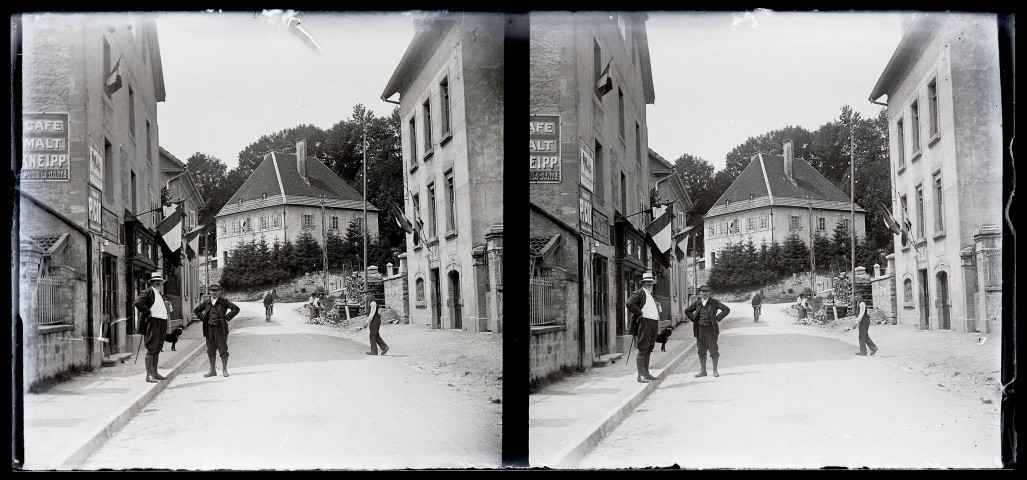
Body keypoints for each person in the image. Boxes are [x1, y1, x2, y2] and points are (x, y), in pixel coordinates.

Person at [193, 284, 240, 377]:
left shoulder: (223, 302)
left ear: (219, 291)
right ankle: (212, 370)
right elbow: (196, 310)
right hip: (209, 329)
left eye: (216, 290)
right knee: (210, 349)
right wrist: (204, 318)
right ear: (209, 291)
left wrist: (226, 317)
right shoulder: (206, 302)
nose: (214, 292)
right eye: (212, 290)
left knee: (223, 349)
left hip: (220, 329)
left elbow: (236, 309)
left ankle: (224, 370)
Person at [684, 284, 731, 378]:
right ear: (700, 293)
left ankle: (715, 370)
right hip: (700, 330)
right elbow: (687, 311)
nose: (704, 293)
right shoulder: (697, 303)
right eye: (702, 292)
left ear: (709, 293)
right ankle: (703, 371)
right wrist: (694, 319)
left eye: (706, 292)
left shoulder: (714, 302)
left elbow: (726, 309)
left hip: (711, 330)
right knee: (701, 350)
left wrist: (717, 318)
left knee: (713, 350)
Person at [134, 271, 172, 383]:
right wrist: (148, 312)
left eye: (159, 282)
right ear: (152, 282)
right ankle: (149, 375)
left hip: (162, 323)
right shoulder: (148, 292)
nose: (158, 284)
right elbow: (138, 302)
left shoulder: (160, 294)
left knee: (158, 348)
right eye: (156, 282)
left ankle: (155, 373)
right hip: (153, 323)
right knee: (151, 348)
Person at [625, 272, 661, 383]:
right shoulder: (639, 293)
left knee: (649, 349)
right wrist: (639, 314)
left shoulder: (650, 294)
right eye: (647, 282)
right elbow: (629, 303)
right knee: (643, 349)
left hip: (653, 324)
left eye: (651, 282)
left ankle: (646, 373)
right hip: (644, 323)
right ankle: (640, 376)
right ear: (643, 283)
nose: (650, 284)